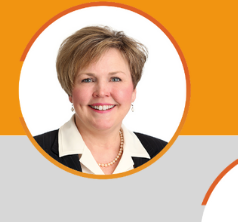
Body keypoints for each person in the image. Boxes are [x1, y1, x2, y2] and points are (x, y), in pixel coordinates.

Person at [34, 26, 167, 175]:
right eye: (87, 79)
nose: (102, 92)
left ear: (133, 90)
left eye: (115, 78)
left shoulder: (164, 154)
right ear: (70, 91)